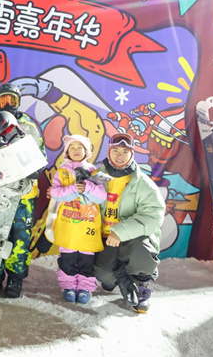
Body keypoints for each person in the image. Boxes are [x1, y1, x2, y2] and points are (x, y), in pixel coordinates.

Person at [0, 83, 47, 298]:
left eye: (12, 100)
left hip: (23, 192)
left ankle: (15, 277)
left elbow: (40, 158)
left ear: (19, 102)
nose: (7, 104)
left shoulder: (27, 125)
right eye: (3, 100)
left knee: (20, 236)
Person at [93, 132, 166, 313]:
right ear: (109, 152)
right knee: (103, 274)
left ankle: (142, 283)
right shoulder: (96, 177)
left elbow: (154, 216)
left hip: (132, 238)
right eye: (116, 150)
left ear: (132, 154)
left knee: (140, 249)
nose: (120, 155)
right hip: (104, 238)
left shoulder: (143, 183)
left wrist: (120, 232)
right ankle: (117, 277)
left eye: (125, 152)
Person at [45, 134, 106, 304]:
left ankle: (85, 288)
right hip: (68, 224)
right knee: (68, 258)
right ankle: (68, 286)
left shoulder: (94, 172)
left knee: (87, 259)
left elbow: (101, 197)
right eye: (72, 148)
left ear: (86, 152)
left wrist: (87, 188)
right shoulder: (62, 172)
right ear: (67, 152)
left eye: (80, 148)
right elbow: (55, 193)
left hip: (88, 225)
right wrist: (74, 189)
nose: (76, 151)